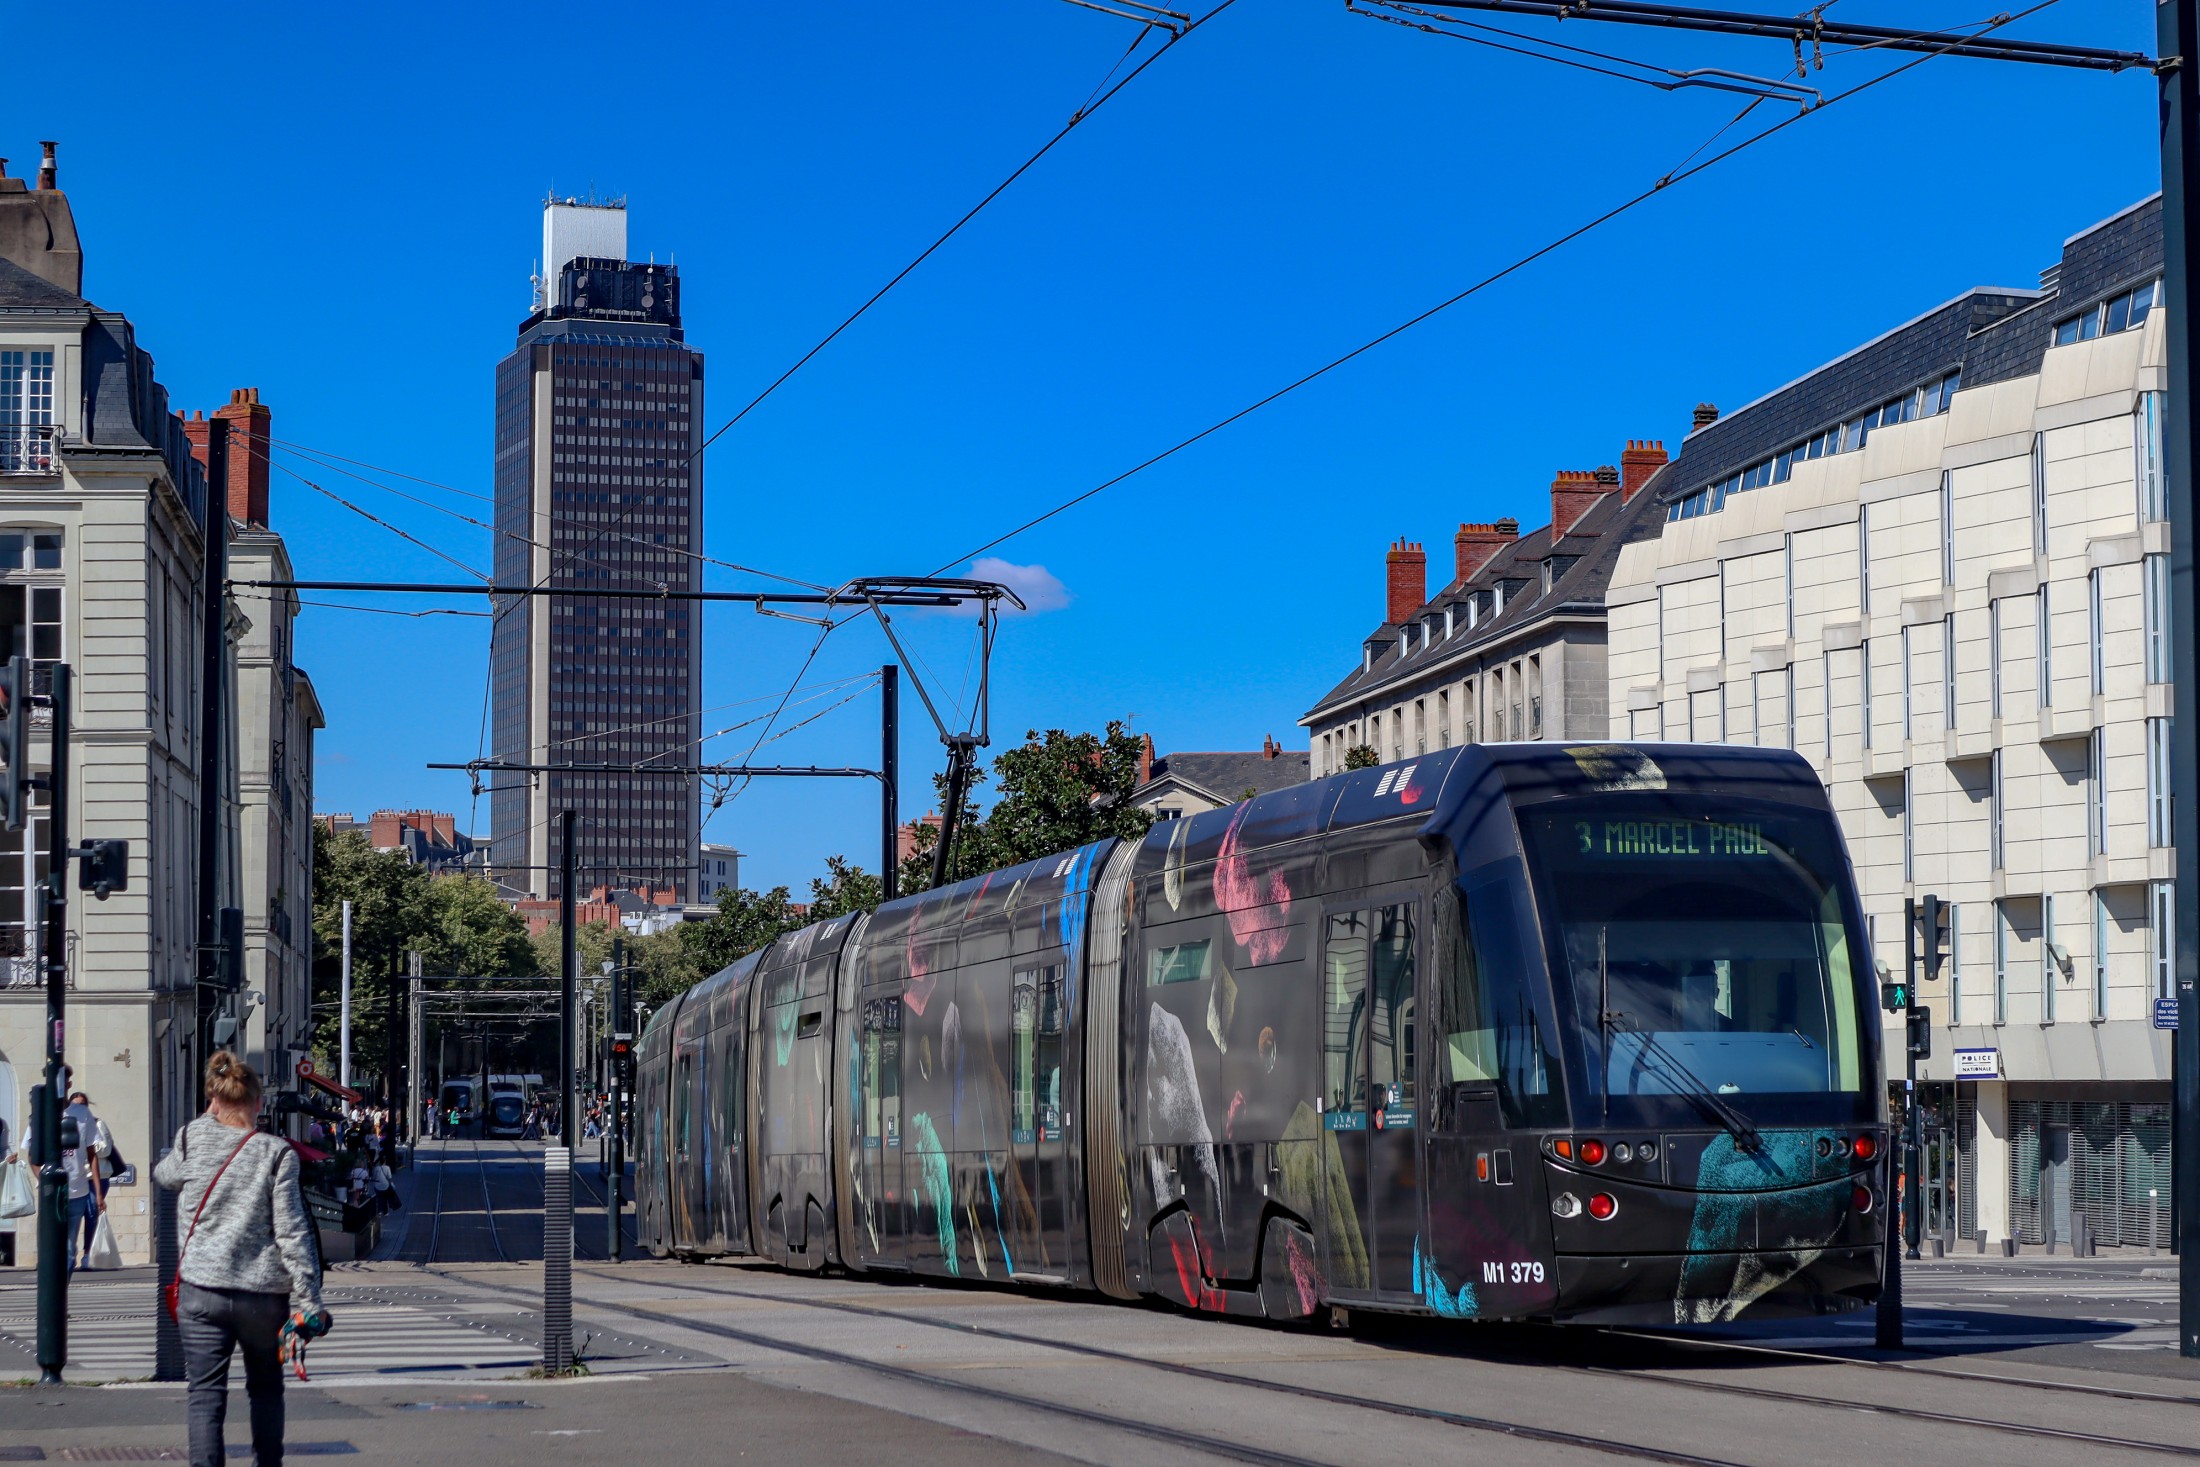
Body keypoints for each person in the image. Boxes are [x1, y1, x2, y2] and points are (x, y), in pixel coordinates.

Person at [155, 1052, 328, 1467]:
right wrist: (310, 1302)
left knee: (205, 1395)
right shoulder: (276, 1152)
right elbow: (291, 1231)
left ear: (214, 1100)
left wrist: (203, 1122)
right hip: (262, 1296)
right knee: (266, 1390)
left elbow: (165, 1175)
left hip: (201, 1291)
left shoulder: (191, 1137)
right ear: (258, 1103)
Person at [62, 1091, 111, 1271]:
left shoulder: (96, 1122)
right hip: (75, 1179)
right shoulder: (60, 1119)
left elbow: (104, 1149)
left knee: (91, 1215)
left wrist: (86, 1144)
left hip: (93, 1178)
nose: (79, 1106)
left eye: (82, 1103)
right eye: (75, 1103)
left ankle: (87, 1253)